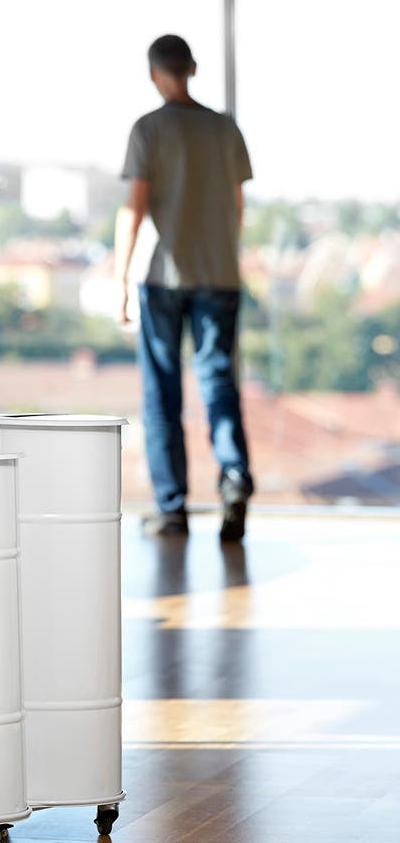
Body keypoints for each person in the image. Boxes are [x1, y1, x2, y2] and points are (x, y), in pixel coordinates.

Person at [114, 33, 254, 541]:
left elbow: (134, 209)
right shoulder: (225, 129)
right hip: (220, 275)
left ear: (154, 74)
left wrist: (120, 279)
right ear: (192, 68)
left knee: (162, 392)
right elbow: (236, 208)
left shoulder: (148, 129)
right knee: (218, 381)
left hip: (163, 279)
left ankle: (171, 508)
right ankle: (234, 479)